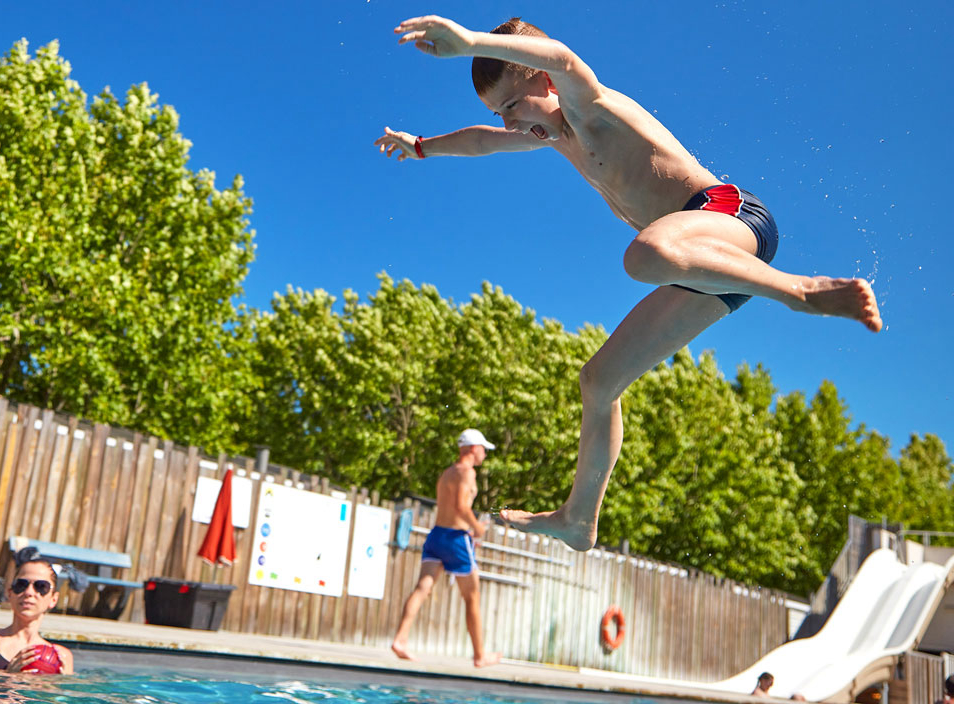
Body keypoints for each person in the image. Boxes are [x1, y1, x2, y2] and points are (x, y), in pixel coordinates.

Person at [375, 15, 882, 551]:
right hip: (707, 272)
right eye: (501, 114)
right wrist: (423, 146)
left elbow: (566, 60)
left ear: (542, 80)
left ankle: (801, 292)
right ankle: (578, 518)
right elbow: (482, 143)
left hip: (730, 222)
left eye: (511, 106)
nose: (510, 123)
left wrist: (471, 44)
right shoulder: (552, 136)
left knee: (646, 255)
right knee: (598, 383)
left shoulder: (590, 106)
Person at [390, 429, 502, 667]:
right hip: (455, 540)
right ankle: (480, 656)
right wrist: (477, 528)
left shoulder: (447, 473)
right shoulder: (467, 473)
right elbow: (461, 507)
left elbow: (450, 507)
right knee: (472, 598)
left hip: (436, 535)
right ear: (473, 448)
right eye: (483, 449)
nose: (484, 454)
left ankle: (400, 639)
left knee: (422, 588)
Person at [0, 555, 75, 674]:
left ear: (54, 599)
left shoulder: (61, 657)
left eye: (41, 586)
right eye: (21, 584)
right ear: (10, 593)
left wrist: (54, 687)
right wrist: (7, 675)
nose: (29, 592)